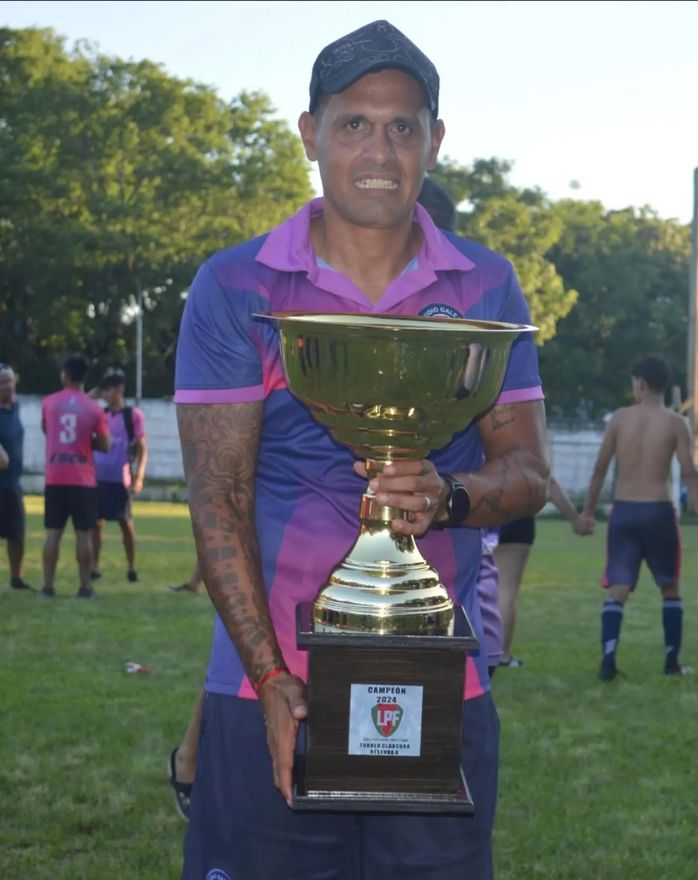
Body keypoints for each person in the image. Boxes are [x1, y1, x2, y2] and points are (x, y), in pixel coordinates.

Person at [174, 19, 550, 879]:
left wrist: (447, 497)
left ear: (434, 141)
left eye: (403, 126)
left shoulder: (485, 282)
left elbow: (527, 471)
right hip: (266, 685)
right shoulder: (239, 284)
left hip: (441, 680)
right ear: (310, 133)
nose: (379, 149)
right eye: (353, 124)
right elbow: (219, 497)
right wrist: (271, 680)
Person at [581, 355, 698, 681]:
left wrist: (587, 511)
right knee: (669, 586)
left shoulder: (619, 420)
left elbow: (600, 468)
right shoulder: (674, 423)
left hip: (624, 512)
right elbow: (690, 473)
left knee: (618, 588)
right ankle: (671, 663)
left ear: (640, 383)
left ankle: (607, 660)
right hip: (658, 511)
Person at [495, 479, 593, 668]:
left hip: (484, 507)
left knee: (473, 587)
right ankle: (501, 656)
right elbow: (547, 480)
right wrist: (575, 519)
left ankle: (472, 653)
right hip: (520, 512)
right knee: (506, 591)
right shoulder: (528, 449)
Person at [41, 354, 110, 598]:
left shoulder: (49, 402)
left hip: (55, 476)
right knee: (84, 534)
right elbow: (105, 444)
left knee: (53, 533)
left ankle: (48, 587)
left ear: (66, 375)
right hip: (83, 479)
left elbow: (47, 431)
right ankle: (85, 586)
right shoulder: (94, 408)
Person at [89, 368, 148, 582]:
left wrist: (139, 477)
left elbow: (142, 447)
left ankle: (131, 567)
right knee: (96, 523)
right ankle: (93, 567)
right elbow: (81, 408)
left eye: (109, 389)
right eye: (103, 390)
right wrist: (91, 395)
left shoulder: (132, 415)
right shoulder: (101, 414)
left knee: (125, 522)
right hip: (97, 476)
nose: (105, 394)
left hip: (120, 478)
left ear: (120, 390)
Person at [0, 363, 32, 590]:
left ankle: (16, 578)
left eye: (9, 380)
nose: (7, 385)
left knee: (17, 534)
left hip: (12, 482)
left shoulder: (16, 407)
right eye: (2, 382)